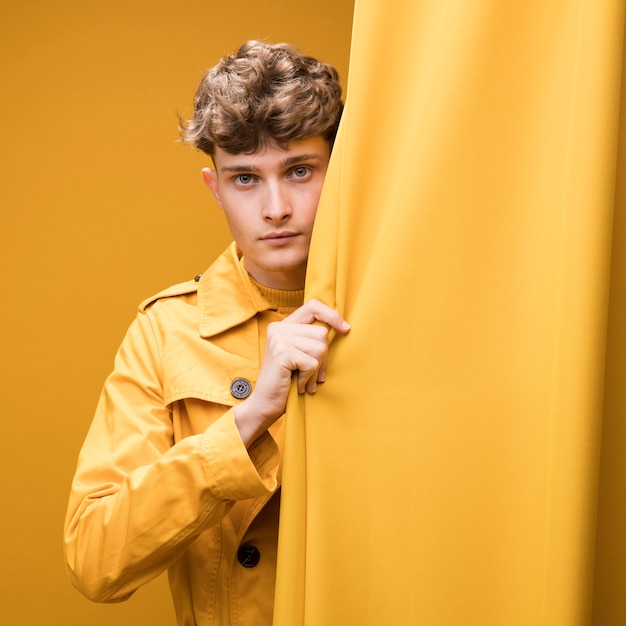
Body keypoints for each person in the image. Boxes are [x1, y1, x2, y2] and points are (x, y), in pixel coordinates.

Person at [64, 40, 348, 626]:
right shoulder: (166, 332)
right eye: (246, 179)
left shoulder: (402, 318)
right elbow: (94, 560)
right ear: (214, 188)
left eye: (299, 171)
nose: (276, 208)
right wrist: (246, 423)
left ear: (341, 173)